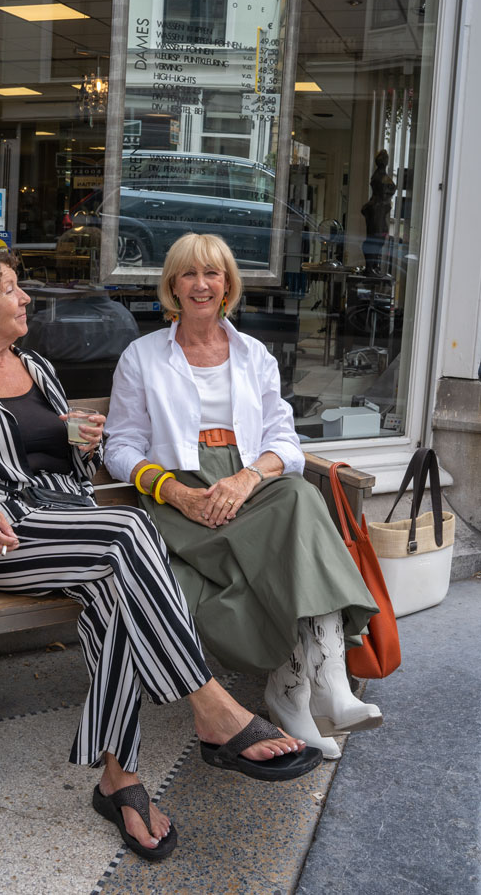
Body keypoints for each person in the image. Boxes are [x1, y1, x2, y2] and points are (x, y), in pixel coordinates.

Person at [0, 248, 322, 864]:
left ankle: (118, 780)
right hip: (6, 533)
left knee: (115, 595)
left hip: (70, 521)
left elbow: (63, 458)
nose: (25, 300)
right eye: (12, 290)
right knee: (128, 530)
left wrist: (81, 439)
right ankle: (211, 707)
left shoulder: (37, 366)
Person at [104, 233, 383, 761]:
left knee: (297, 498)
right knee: (295, 522)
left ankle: (314, 683)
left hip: (247, 483)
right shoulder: (141, 357)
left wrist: (247, 478)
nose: (201, 284)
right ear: (173, 286)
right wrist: (175, 493)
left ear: (228, 285)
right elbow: (120, 448)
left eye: (212, 274)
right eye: (189, 274)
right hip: (180, 495)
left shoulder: (254, 355)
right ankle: (306, 685)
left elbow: (284, 441)